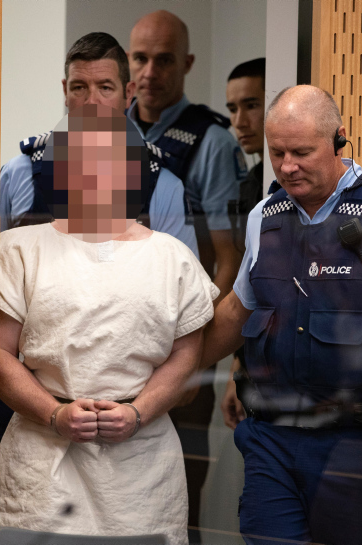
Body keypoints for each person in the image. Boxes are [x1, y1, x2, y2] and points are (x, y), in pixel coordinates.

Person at [200, 85, 362, 544]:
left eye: (302, 152)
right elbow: (237, 312)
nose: (287, 166)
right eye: (277, 152)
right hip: (272, 439)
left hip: (359, 443)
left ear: (339, 139)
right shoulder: (265, 216)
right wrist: (168, 371)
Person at [0, 104, 218, 545]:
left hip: (143, 464)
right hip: (43, 459)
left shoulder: (171, 257)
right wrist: (55, 414)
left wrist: (138, 413)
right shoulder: (19, 250)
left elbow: (186, 356)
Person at [0, 32, 198, 442]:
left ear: (128, 93)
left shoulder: (163, 185)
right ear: (64, 91)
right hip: (26, 393)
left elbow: (183, 315)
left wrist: (142, 409)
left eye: (105, 88)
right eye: (79, 88)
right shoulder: (19, 172)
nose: (91, 102)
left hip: (132, 407)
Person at [127, 13, 245, 537]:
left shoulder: (212, 141)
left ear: (188, 63)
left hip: (180, 341)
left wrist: (194, 356)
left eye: (165, 59)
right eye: (140, 58)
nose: (150, 72)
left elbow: (228, 259)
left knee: (176, 490)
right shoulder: (105, 131)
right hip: (115, 341)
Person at [223, 57, 266, 430]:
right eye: (233, 108)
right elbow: (246, 291)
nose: (239, 121)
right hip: (253, 360)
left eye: (251, 105)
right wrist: (237, 366)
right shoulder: (251, 185)